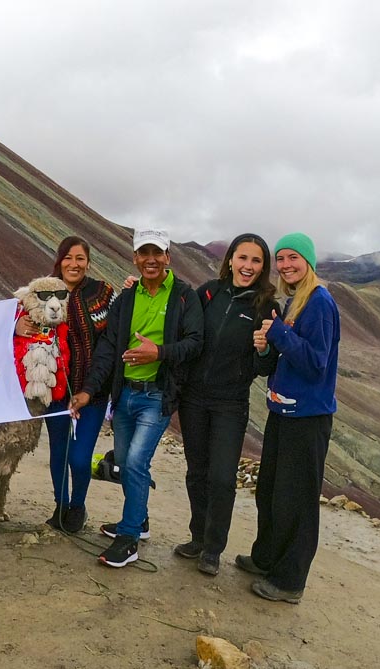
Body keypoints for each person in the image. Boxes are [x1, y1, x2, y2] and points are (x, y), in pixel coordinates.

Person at [70, 228, 203, 567]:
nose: (151, 260)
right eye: (144, 253)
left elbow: (194, 343)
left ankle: (128, 539)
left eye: (157, 253)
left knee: (134, 463)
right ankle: (139, 520)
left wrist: (157, 352)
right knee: (126, 463)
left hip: (156, 397)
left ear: (168, 258)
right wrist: (87, 390)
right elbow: (109, 347)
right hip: (125, 396)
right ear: (135, 258)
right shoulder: (126, 300)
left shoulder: (185, 298)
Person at [237, 232, 340, 603]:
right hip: (283, 410)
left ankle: (290, 581)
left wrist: (279, 332)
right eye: (280, 259)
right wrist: (270, 345)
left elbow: (316, 363)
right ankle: (266, 557)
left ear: (308, 261)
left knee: (296, 499)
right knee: (271, 490)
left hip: (308, 417)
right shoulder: (296, 300)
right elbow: (290, 356)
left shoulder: (319, 302)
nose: (285, 265)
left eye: (293, 257)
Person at [172, 234, 281, 576]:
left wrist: (264, 348)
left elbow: (266, 367)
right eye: (242, 258)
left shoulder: (266, 306)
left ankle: (213, 549)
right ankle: (197, 537)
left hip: (230, 403)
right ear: (230, 260)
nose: (247, 266)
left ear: (263, 267)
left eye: (256, 261)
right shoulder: (208, 292)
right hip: (194, 399)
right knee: (197, 472)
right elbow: (183, 326)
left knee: (221, 478)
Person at [18, 236, 116, 532]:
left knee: (80, 456)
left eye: (80, 258)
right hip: (56, 391)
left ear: (88, 262)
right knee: (59, 451)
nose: (74, 264)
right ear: (59, 261)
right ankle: (61, 506)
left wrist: (89, 389)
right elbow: (18, 317)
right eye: (68, 258)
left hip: (93, 392)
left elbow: (110, 343)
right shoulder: (43, 290)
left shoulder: (103, 293)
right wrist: (17, 326)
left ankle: (78, 506)